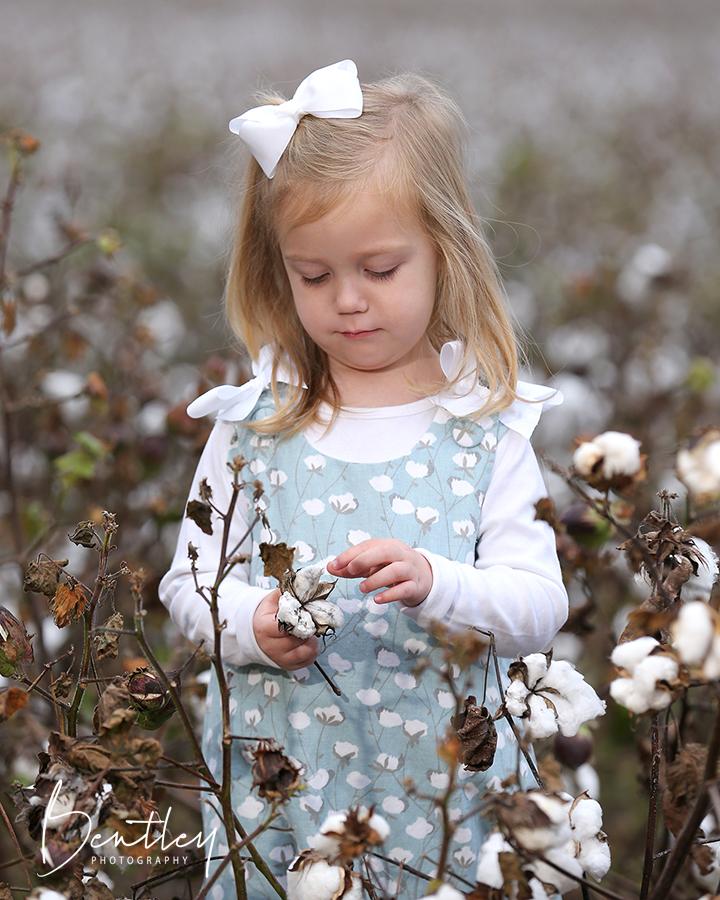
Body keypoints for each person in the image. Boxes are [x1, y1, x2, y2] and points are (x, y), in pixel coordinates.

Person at [159, 59, 568, 898]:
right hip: (283, 792)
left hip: (445, 802)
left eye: (379, 270)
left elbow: (539, 607)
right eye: (313, 275)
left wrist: (438, 582)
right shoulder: (256, 423)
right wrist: (252, 621)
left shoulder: (485, 430)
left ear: (445, 252)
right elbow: (189, 584)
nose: (347, 300)